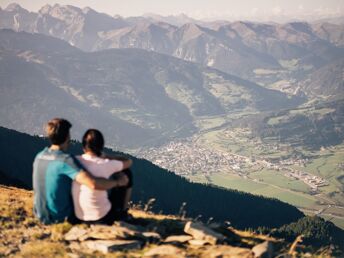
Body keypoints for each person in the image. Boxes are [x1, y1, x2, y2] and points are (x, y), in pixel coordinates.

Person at [32, 118, 129, 224]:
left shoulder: (40, 156)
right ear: (67, 137)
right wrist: (117, 182)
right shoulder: (65, 160)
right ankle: (120, 214)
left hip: (40, 215)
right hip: (60, 218)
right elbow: (93, 183)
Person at [72, 129, 134, 225]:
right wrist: (107, 156)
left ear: (84, 146)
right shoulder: (105, 163)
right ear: (101, 146)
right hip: (102, 216)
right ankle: (122, 212)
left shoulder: (74, 161)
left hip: (78, 215)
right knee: (126, 172)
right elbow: (128, 162)